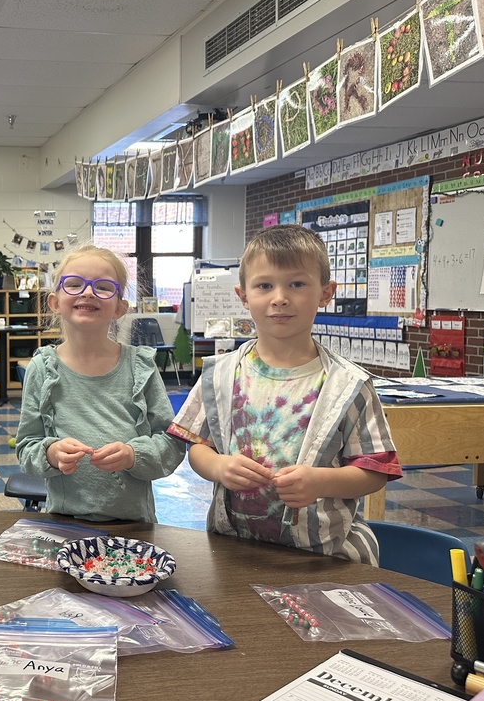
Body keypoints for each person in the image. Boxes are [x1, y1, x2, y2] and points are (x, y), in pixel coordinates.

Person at [168, 224, 401, 565]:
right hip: (235, 550)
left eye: (296, 284)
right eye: (264, 285)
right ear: (243, 296)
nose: (280, 297)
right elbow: (200, 450)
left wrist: (321, 481)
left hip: (325, 555)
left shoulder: (348, 384)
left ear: (325, 292)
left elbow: (375, 470)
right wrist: (219, 466)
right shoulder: (218, 375)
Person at [15, 244, 186, 523]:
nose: (87, 292)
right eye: (74, 284)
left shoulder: (140, 367)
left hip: (134, 525)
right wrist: (51, 452)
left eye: (103, 287)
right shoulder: (43, 368)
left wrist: (133, 454)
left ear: (119, 308)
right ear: (55, 302)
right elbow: (26, 448)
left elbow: (171, 445)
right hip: (65, 521)